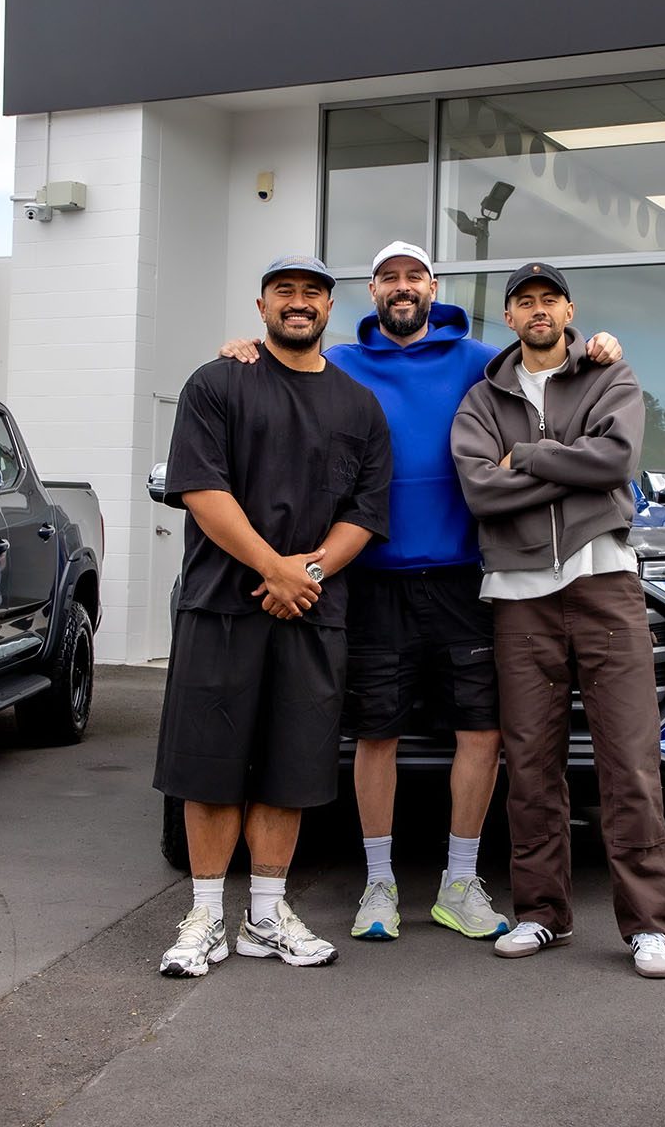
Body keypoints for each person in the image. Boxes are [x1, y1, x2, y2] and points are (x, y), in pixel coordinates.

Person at [219, 242, 620, 945]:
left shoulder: (480, 360)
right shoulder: (339, 361)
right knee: (377, 733)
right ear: (371, 292)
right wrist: (242, 350)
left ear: (433, 288)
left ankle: (459, 883)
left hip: (467, 577)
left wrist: (598, 346)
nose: (402, 288)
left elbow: (550, 361)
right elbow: (282, 369)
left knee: (481, 732)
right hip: (370, 579)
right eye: (388, 278)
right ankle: (378, 883)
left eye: (414, 277)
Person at [153, 255, 393, 978]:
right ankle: (205, 916)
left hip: (312, 612)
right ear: (261, 305)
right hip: (220, 607)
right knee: (210, 767)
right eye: (284, 291)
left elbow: (366, 512)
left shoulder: (358, 405)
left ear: (330, 307)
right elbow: (203, 490)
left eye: (312, 292)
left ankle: (265, 916)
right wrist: (273, 567)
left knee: (291, 769)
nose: (298, 302)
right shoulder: (217, 383)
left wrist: (306, 574)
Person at [450, 261, 665, 980]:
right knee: (531, 765)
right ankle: (542, 913)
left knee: (630, 762)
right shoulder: (482, 400)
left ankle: (647, 927)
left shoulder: (610, 376)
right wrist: (570, 471)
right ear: (510, 318)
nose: (538, 310)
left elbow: (615, 461)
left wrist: (529, 457)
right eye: (525, 302)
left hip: (603, 583)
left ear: (569, 311)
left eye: (549, 299)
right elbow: (480, 490)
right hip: (519, 596)